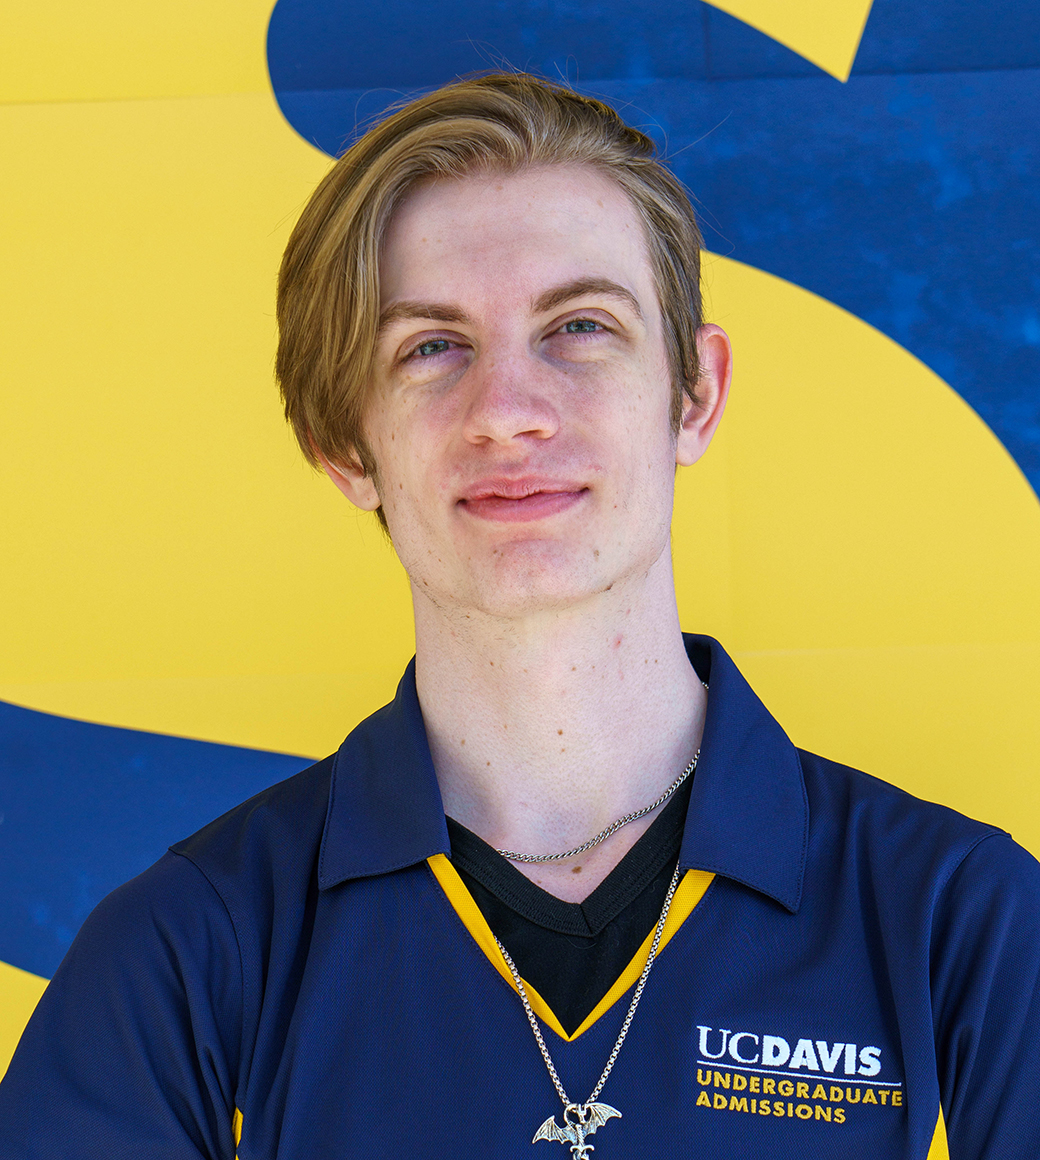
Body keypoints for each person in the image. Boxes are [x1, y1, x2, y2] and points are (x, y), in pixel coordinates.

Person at [1, 72, 1039, 1160]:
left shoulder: (955, 918)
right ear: (344, 444)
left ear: (693, 394)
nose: (505, 410)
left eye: (579, 326)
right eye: (428, 347)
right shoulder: (184, 950)